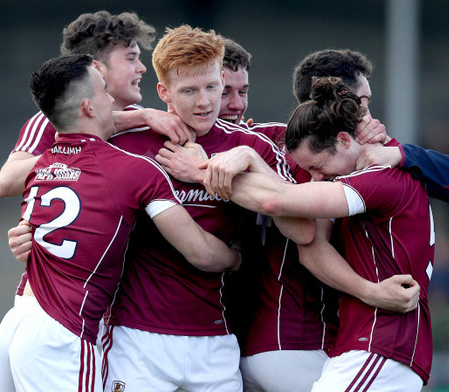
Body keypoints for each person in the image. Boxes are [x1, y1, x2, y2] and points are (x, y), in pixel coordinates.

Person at [0, 53, 241, 392]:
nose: (112, 100)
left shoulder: (39, 166)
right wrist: (237, 256)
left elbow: (31, 223)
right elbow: (201, 253)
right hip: (64, 333)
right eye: (104, 91)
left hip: (18, 323)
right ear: (89, 107)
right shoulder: (134, 170)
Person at [98, 25, 314, 392]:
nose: (204, 102)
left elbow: (302, 229)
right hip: (135, 338)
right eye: (189, 91)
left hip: (216, 339)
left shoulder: (251, 147)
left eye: (212, 87)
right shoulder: (126, 144)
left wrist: (215, 171)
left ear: (222, 77)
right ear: (163, 91)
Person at [204, 77, 434, 390]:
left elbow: (276, 200)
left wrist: (203, 169)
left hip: (383, 345)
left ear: (343, 140)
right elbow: (310, 242)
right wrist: (368, 290)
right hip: (360, 346)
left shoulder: (380, 178)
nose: (314, 178)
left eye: (318, 165)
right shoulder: (363, 177)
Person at [0, 10, 192, 199]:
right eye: (131, 58)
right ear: (97, 67)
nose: (142, 68)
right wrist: (72, 149)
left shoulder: (149, 120)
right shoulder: (55, 117)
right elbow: (6, 182)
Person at [294, 48, 449, 209]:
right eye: (363, 106)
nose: (370, 119)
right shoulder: (285, 169)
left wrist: (401, 154)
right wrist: (402, 155)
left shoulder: (383, 169)